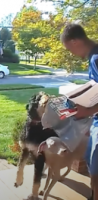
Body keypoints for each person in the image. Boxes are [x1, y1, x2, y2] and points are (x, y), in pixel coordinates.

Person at [61, 23, 98, 200]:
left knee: (96, 171)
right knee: (91, 161)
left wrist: (88, 110)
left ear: (75, 42)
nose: (71, 53)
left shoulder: (96, 59)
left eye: (69, 49)